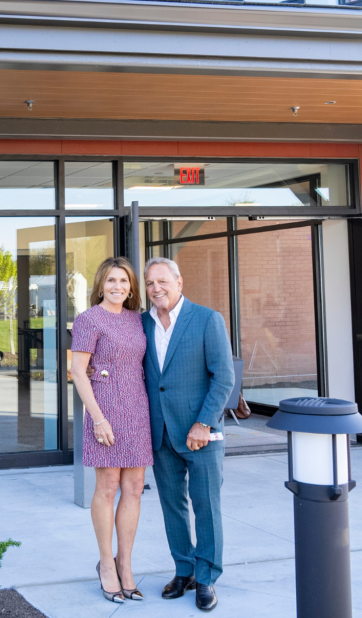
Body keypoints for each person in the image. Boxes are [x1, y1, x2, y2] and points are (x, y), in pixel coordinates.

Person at [141, 258, 234, 613]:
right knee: (172, 506)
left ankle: (207, 578)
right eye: (150, 283)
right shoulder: (142, 323)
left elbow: (223, 377)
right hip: (161, 432)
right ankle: (184, 570)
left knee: (206, 506)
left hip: (201, 433)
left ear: (179, 282)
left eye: (162, 281)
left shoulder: (208, 319)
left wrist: (204, 423)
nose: (156, 289)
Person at [70, 257, 153, 604]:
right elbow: (77, 370)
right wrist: (98, 418)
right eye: (111, 281)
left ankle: (126, 565)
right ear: (100, 285)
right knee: (107, 487)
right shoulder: (89, 319)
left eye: (124, 281)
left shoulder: (138, 319)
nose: (118, 287)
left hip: (136, 406)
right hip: (105, 409)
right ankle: (106, 565)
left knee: (134, 487)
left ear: (132, 286)